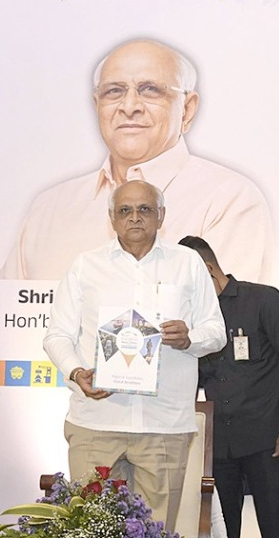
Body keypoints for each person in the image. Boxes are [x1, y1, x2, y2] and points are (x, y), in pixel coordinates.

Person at [1, 39, 272, 282]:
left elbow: (222, 314)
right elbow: (6, 313)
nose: (129, 106)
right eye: (114, 91)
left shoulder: (229, 200)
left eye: (150, 90)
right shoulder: (48, 208)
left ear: (187, 110)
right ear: (97, 105)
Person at [42, 180, 225, 528]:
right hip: (96, 421)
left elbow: (215, 332)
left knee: (155, 530)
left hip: (164, 424)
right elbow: (57, 336)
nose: (135, 217)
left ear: (161, 216)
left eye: (145, 209)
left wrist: (189, 338)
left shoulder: (187, 263)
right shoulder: (86, 266)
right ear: (112, 217)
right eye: (125, 210)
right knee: (91, 530)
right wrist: (77, 372)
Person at [178, 235, 279, 538]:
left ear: (208, 270)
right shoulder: (193, 323)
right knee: (222, 531)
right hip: (219, 447)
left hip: (271, 441)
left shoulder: (263, 300)